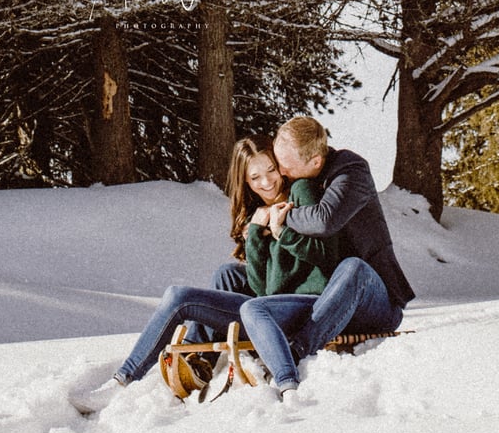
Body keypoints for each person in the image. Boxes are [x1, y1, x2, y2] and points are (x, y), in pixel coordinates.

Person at [70, 135, 338, 412]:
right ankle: (197, 362)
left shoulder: (298, 200)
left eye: (271, 170)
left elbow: (273, 288)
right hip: (272, 305)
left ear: (281, 166)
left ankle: (121, 382)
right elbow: (262, 284)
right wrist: (257, 232)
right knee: (226, 274)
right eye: (255, 177)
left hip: (290, 313)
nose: (267, 182)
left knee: (180, 297)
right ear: (245, 181)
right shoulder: (260, 213)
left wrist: (263, 233)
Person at [239, 116, 415, 396]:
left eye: (285, 166)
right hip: (332, 302)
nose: (281, 173)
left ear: (315, 163)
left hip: (373, 299)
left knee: (353, 267)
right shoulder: (306, 179)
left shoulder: (350, 171)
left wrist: (281, 218)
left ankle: (297, 352)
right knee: (230, 275)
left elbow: (324, 220)